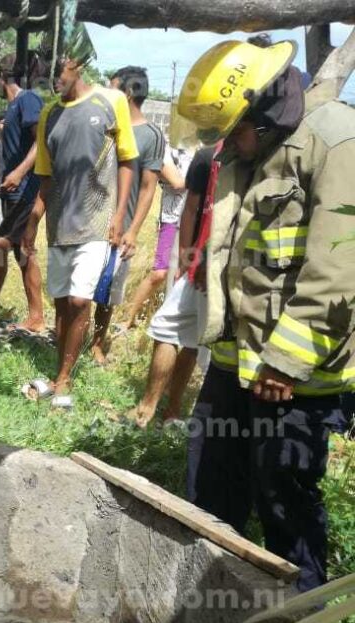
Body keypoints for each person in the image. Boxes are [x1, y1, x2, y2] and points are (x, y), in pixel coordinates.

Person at [179, 39, 355, 592]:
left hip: (296, 379)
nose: (226, 144)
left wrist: (285, 362)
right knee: (208, 484)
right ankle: (208, 606)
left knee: (283, 498)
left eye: (233, 129)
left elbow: (339, 271)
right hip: (235, 364)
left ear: (265, 110)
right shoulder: (248, 150)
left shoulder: (335, 142)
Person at [20, 54, 137, 409]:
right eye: (45, 74)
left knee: (79, 300)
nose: (53, 79)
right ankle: (60, 369)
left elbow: (128, 160)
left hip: (98, 221)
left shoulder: (111, 101)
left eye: (57, 71)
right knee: (60, 305)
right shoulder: (48, 114)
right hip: (59, 224)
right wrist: (32, 222)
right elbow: (45, 175)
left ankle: (65, 378)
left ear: (77, 66)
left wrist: (120, 217)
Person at [128, 142, 220, 429]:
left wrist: (188, 258)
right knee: (192, 337)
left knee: (168, 327)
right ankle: (173, 409)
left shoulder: (210, 154)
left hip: (206, 266)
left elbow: (191, 208)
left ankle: (148, 407)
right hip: (225, 266)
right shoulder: (258, 151)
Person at [89, 66, 171, 365]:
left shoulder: (150, 136)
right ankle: (72, 335)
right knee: (83, 284)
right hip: (91, 219)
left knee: (108, 289)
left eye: (112, 89)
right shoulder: (105, 127)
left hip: (120, 228)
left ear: (127, 93)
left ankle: (97, 344)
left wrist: (133, 230)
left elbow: (149, 187)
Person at [0, 53, 44, 330]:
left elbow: (42, 141)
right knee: (24, 253)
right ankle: (36, 317)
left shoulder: (27, 99)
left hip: (25, 191)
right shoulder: (13, 106)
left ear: (2, 78)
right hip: (12, 192)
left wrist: (19, 172)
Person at [124, 142, 193, 329]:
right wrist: (204, 177)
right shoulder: (165, 148)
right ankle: (126, 319)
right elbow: (177, 182)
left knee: (184, 272)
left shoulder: (203, 146)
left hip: (196, 219)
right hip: (172, 219)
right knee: (160, 272)